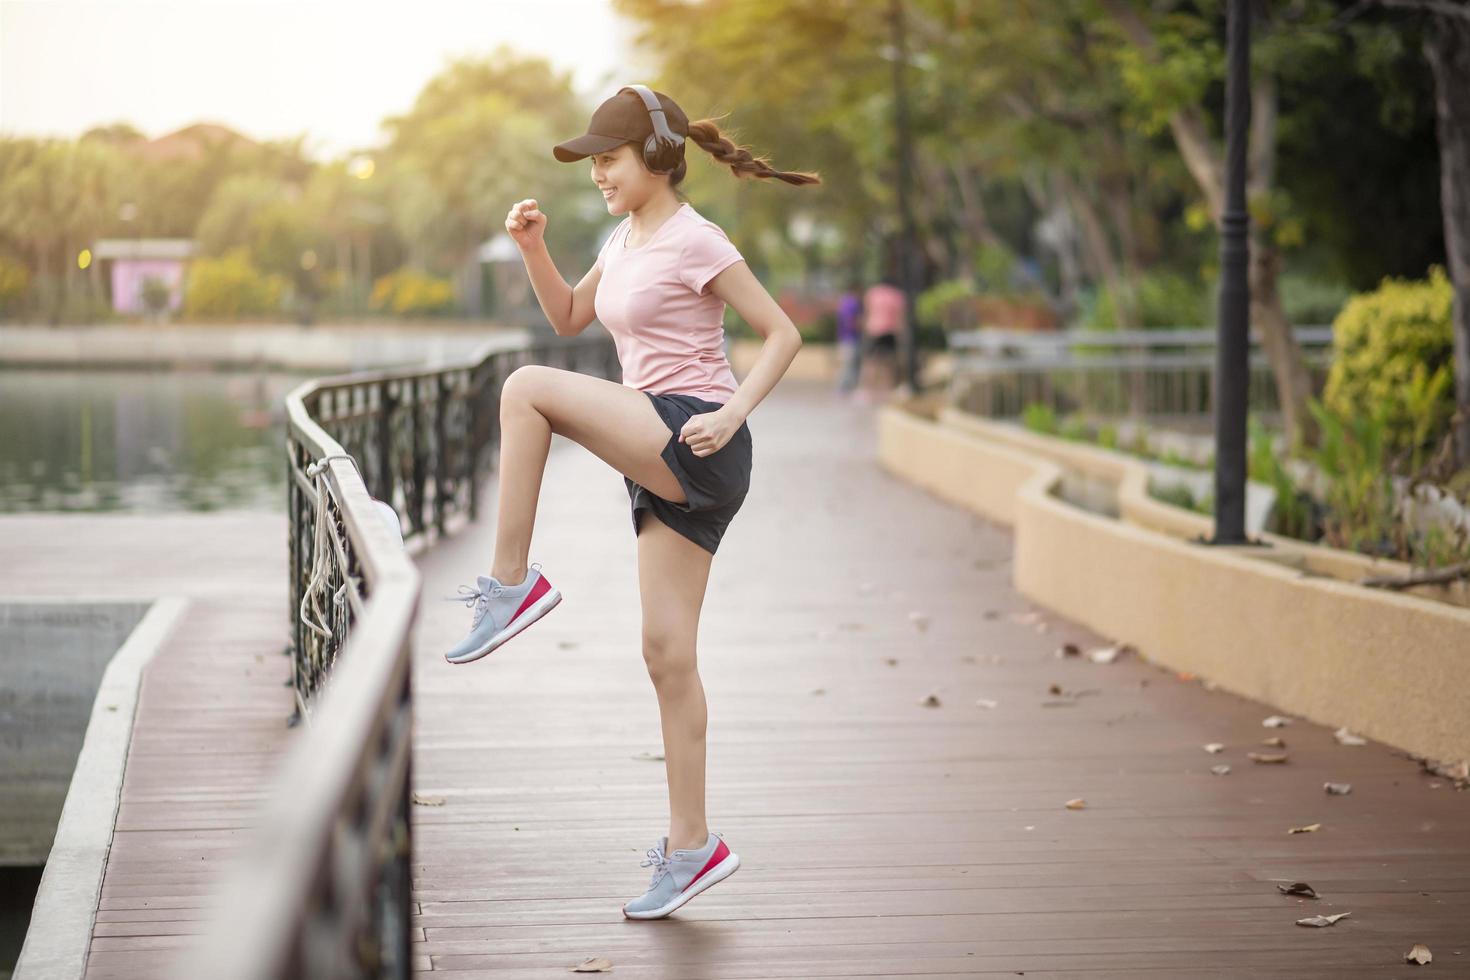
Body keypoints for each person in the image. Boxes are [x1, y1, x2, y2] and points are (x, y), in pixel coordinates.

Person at [439, 84, 820, 919]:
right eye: (593, 165)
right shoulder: (622, 235)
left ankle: (511, 583)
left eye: (607, 160)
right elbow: (573, 315)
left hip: (695, 436)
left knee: (526, 387)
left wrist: (731, 411)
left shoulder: (696, 239)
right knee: (666, 654)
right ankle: (694, 847)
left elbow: (783, 333)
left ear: (653, 155)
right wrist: (534, 248)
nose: (598, 176)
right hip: (659, 453)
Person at [861, 276, 905, 395]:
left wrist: (865, 328)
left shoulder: (873, 293)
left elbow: (867, 311)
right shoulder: (897, 295)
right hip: (890, 330)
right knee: (890, 361)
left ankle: (868, 388)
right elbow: (900, 315)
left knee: (871, 361)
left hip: (874, 329)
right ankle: (888, 387)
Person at [834, 278, 864, 396]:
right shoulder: (853, 303)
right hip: (851, 339)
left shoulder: (844, 302)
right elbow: (852, 321)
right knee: (850, 366)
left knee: (848, 365)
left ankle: (845, 390)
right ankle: (845, 390)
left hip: (844, 338)